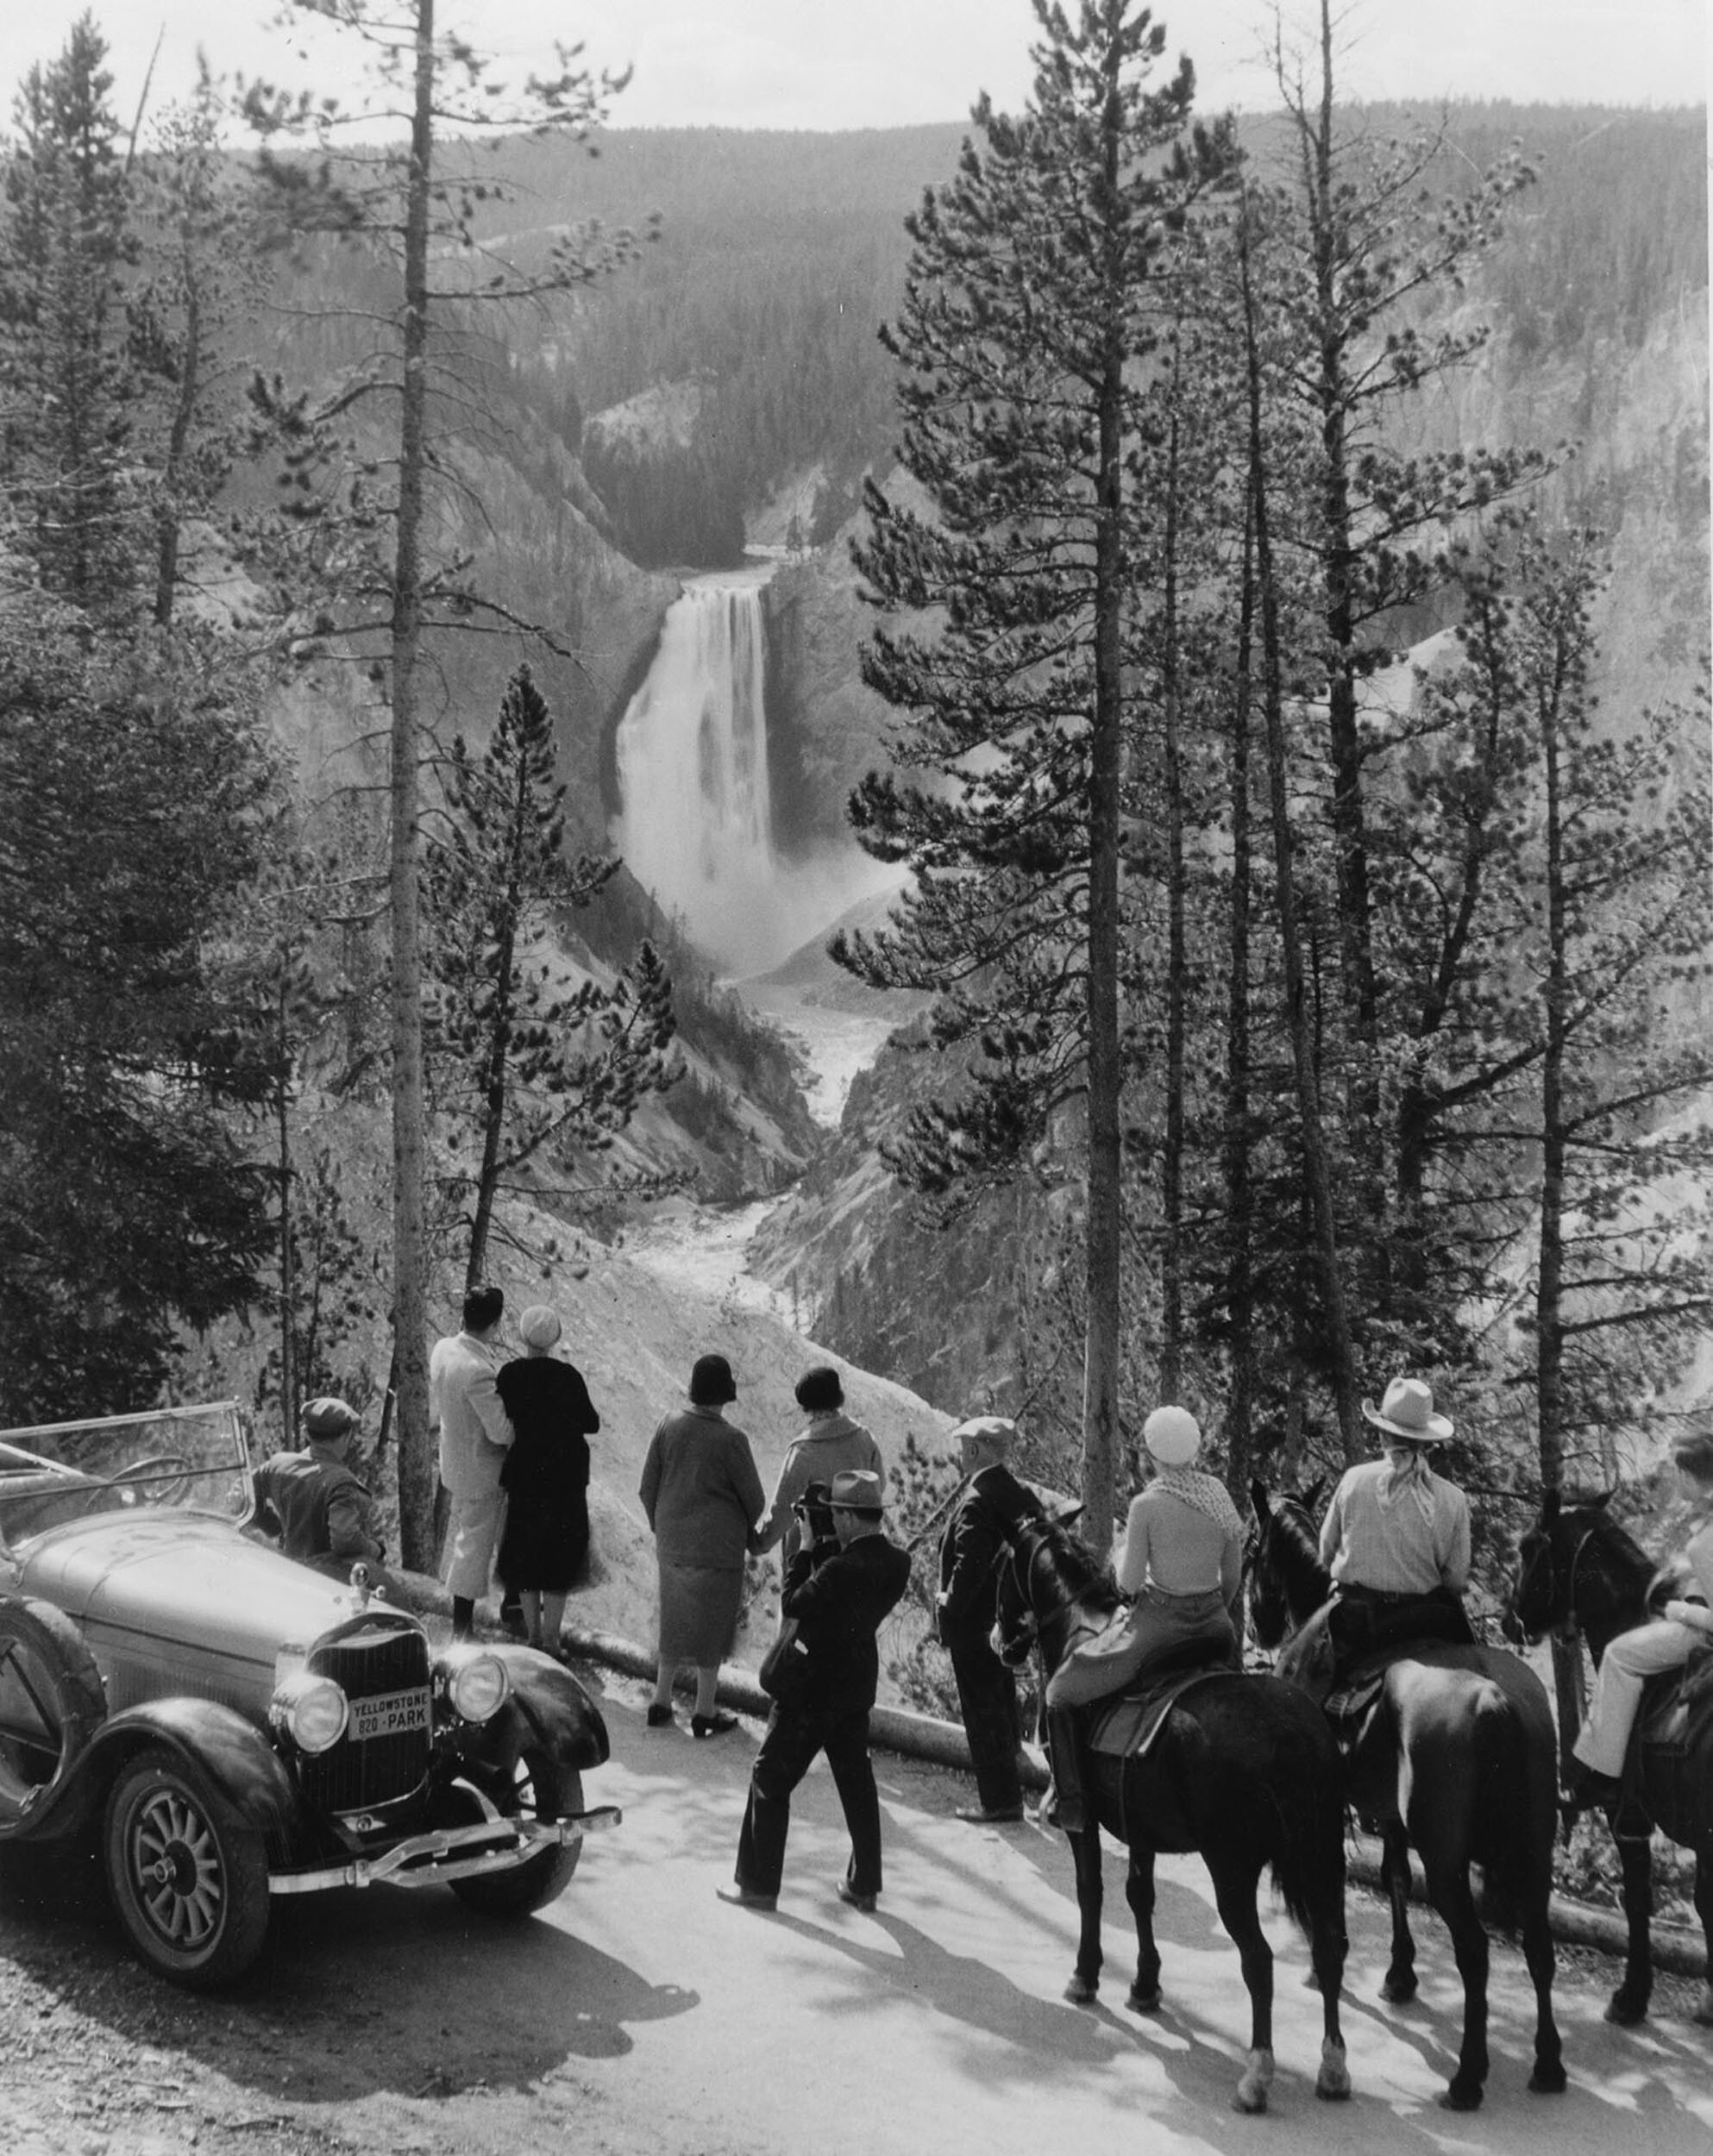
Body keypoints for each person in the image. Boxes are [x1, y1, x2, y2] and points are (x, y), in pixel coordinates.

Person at [1041, 1405, 1245, 1833]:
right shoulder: (1217, 1495)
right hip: (1215, 1628)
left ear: (1152, 1455)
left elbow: (1130, 1585)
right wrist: (1213, 1607)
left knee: (1060, 1691)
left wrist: (1122, 1563)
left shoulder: (1146, 1505)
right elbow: (1233, 1574)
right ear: (1194, 1450)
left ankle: (1072, 1802)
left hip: (1159, 1630)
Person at [724, 1468, 913, 1912]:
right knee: (857, 1786)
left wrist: (805, 1549)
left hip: (809, 1690)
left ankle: (757, 1885)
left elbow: (793, 1602)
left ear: (846, 1517)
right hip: (854, 1688)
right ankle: (864, 1884)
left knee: (770, 1778)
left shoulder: (836, 1569)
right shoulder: (896, 1563)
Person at [1568, 1427, 1713, 1808]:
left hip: (1702, 1635)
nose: (1670, 1477)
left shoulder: (1704, 1541)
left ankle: (1606, 1776)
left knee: (1618, 1654)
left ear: (1685, 1475)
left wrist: (1676, 1610)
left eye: (1673, 1470)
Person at [638, 1352, 767, 1737]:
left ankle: (661, 1701)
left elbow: (647, 1487)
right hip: (718, 1550)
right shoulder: (732, 1440)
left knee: (674, 1621)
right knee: (712, 1627)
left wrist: (664, 1529)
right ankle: (704, 1710)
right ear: (725, 1394)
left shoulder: (669, 1424)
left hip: (673, 1544)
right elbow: (756, 1500)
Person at [1318, 1373, 1475, 1667]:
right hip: (1424, 1621)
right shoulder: (1454, 1498)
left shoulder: (1353, 1481)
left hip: (1357, 1622)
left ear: (1382, 1434)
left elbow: (1326, 1553)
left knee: (1309, 1690)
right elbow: (1455, 1580)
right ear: (1427, 1442)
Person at [494, 1304, 601, 1658]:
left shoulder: (509, 1375)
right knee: (560, 1555)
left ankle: (533, 1636)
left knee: (524, 1552)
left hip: (525, 1474)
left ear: (523, 1336)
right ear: (555, 1338)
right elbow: (591, 1422)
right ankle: (554, 1640)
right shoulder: (568, 1377)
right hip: (565, 1478)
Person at [936, 1413, 1027, 1824]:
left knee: (981, 1710)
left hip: (973, 1624)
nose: (960, 1455)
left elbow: (968, 1564)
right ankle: (1013, 1780)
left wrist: (948, 1603)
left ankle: (999, 1801)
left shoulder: (976, 1499)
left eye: (963, 1448)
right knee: (1001, 1699)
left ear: (974, 1450)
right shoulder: (1018, 1492)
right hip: (1006, 1619)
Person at [431, 1283, 516, 1641]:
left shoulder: (443, 1349)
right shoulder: (478, 1370)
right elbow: (500, 1432)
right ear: (495, 1325)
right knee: (473, 1549)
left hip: (455, 1462)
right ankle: (461, 1632)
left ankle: (508, 1606)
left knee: (485, 1537)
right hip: (482, 1471)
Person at [752, 1365, 884, 1570]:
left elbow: (782, 1510)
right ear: (838, 1397)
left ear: (806, 1406)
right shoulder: (865, 1438)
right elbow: (879, 1486)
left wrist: (760, 1543)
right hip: (863, 1552)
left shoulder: (803, 1450)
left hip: (816, 1561)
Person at [253, 1395, 387, 1582]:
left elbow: (243, 1496)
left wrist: (275, 1529)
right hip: (325, 1582)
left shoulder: (278, 1464)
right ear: (346, 1436)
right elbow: (345, 1540)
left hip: (286, 1570)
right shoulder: (341, 1481)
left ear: (306, 1433)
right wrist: (375, 1549)